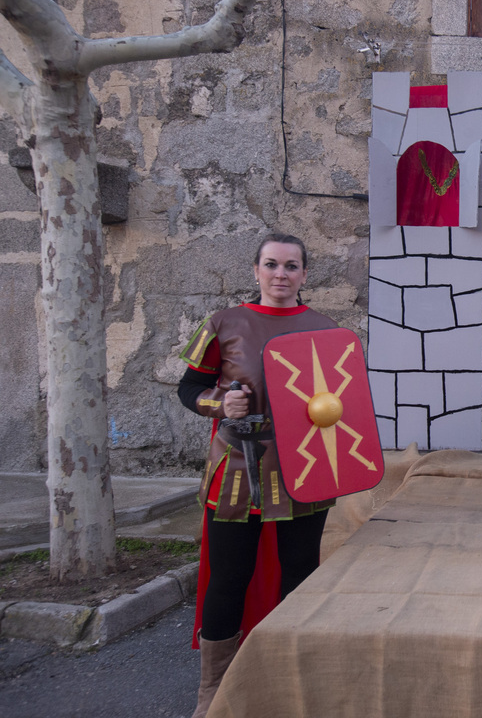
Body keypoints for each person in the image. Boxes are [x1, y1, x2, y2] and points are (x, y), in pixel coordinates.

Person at [177, 233, 338, 718]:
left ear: (304, 275)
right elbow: (190, 388)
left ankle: (289, 679)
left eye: (291, 266)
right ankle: (214, 690)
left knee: (300, 575)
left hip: (302, 467)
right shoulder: (224, 323)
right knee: (229, 579)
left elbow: (339, 401)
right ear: (256, 271)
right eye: (271, 264)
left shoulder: (324, 330)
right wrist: (219, 403)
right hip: (237, 467)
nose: (281, 274)